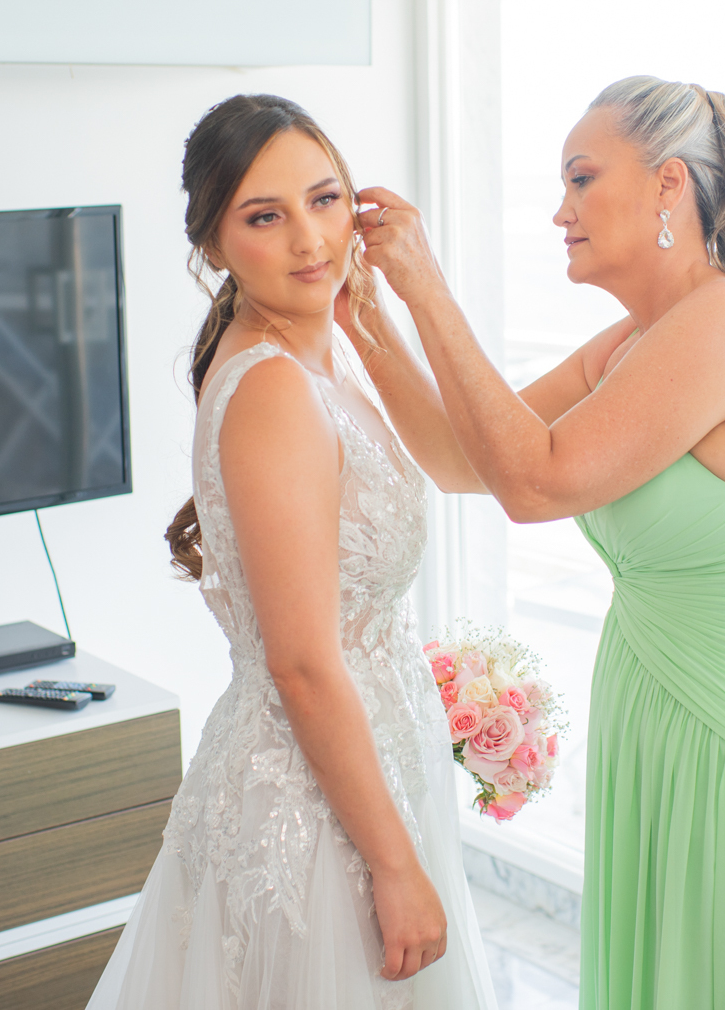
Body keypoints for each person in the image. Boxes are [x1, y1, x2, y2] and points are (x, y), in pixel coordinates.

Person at [348, 76, 725, 1008]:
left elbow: (537, 480)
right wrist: (362, 305)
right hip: (661, 731)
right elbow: (460, 458)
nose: (561, 210)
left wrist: (427, 284)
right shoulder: (630, 344)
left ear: (669, 184)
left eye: (582, 178)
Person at [85, 94, 496, 1009]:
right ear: (212, 245)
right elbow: (303, 663)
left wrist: (400, 300)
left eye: (325, 199)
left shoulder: (324, 348)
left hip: (363, 774)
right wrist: (394, 864)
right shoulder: (274, 391)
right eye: (265, 217)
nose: (311, 238)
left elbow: (465, 465)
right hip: (316, 816)